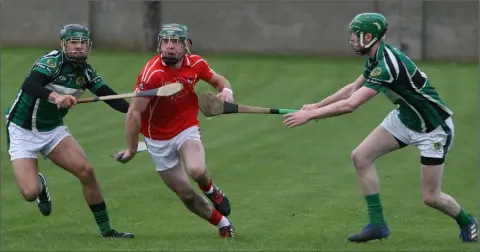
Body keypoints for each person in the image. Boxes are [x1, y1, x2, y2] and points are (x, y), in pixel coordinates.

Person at [282, 12, 478, 243]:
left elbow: (351, 104)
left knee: (431, 197)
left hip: (433, 129)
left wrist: (311, 115)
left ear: (369, 36)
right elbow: (351, 89)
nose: (352, 40)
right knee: (361, 157)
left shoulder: (388, 65)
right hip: (404, 119)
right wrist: (316, 105)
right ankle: (377, 225)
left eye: (355, 35)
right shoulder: (376, 58)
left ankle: (468, 222)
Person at [5, 24, 134, 238]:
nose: (78, 47)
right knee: (30, 192)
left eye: (82, 43)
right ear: (63, 44)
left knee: (87, 172)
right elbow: (30, 85)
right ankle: (40, 185)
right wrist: (56, 97)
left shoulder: (86, 72)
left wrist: (135, 112)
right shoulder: (51, 62)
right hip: (22, 130)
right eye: (73, 43)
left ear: (88, 46)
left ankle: (107, 231)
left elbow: (109, 96)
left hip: (52, 131)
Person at [115, 23, 235, 238]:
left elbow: (218, 80)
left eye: (176, 42)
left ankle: (211, 190)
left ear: (186, 45)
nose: (170, 47)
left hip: (185, 127)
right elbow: (133, 113)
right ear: (160, 44)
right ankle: (222, 222)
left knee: (197, 170)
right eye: (166, 41)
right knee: (185, 194)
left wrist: (226, 92)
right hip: (157, 138)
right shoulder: (151, 74)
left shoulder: (196, 63)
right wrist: (132, 149)